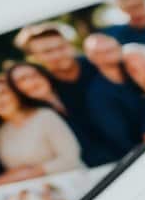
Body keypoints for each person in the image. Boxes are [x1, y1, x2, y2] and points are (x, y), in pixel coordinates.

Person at [13, 23, 113, 166]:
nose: (57, 54)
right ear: (35, 57)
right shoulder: (44, 88)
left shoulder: (98, 66)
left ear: (70, 45)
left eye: (61, 47)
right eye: (47, 51)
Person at [0, 73, 83, 175]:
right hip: (34, 190)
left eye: (2, 93)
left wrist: (33, 172)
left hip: (72, 180)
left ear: (16, 93)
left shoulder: (45, 117)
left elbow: (71, 158)